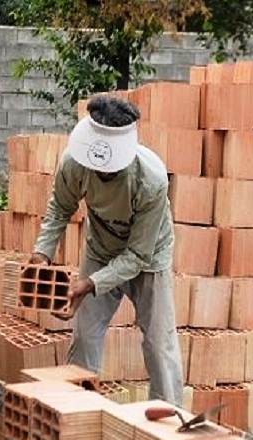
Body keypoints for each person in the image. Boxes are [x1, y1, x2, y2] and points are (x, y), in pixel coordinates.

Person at [30, 96, 184, 406]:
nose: (102, 174)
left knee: (159, 343)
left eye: (110, 170)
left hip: (149, 258)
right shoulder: (74, 163)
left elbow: (138, 256)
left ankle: (168, 420)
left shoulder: (150, 180)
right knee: (85, 335)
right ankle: (76, 410)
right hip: (100, 248)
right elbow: (60, 208)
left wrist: (88, 284)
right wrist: (41, 255)